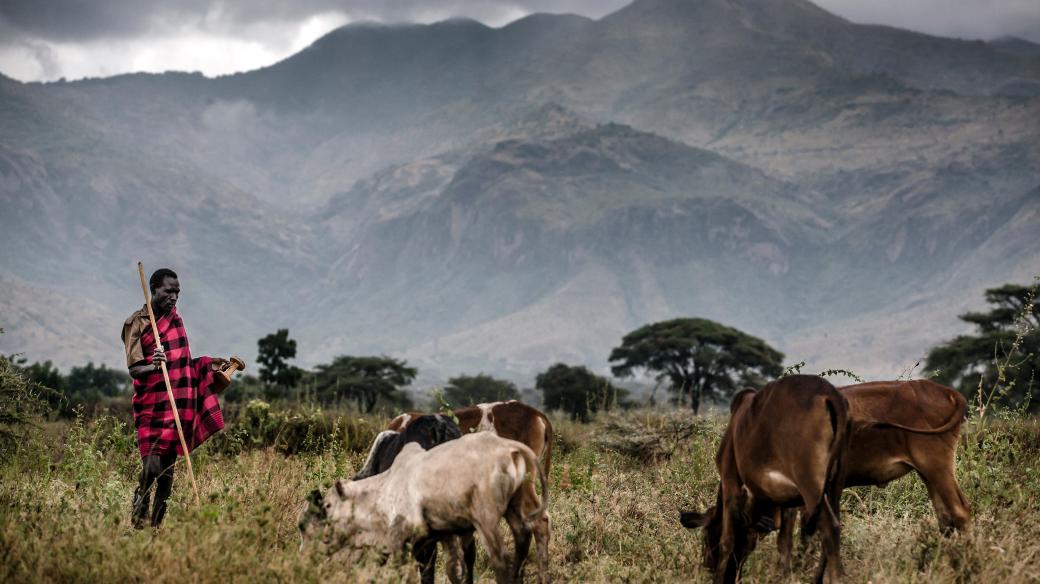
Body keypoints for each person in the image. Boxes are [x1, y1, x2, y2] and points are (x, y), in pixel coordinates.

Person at [121, 268, 226, 529]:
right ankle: (138, 518)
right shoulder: (137, 323)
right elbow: (134, 369)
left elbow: (183, 364)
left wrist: (207, 366)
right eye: (169, 291)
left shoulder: (175, 320)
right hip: (152, 406)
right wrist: (154, 365)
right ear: (154, 289)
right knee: (152, 467)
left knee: (167, 475)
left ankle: (155, 528)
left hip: (176, 405)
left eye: (177, 292)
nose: (174, 297)